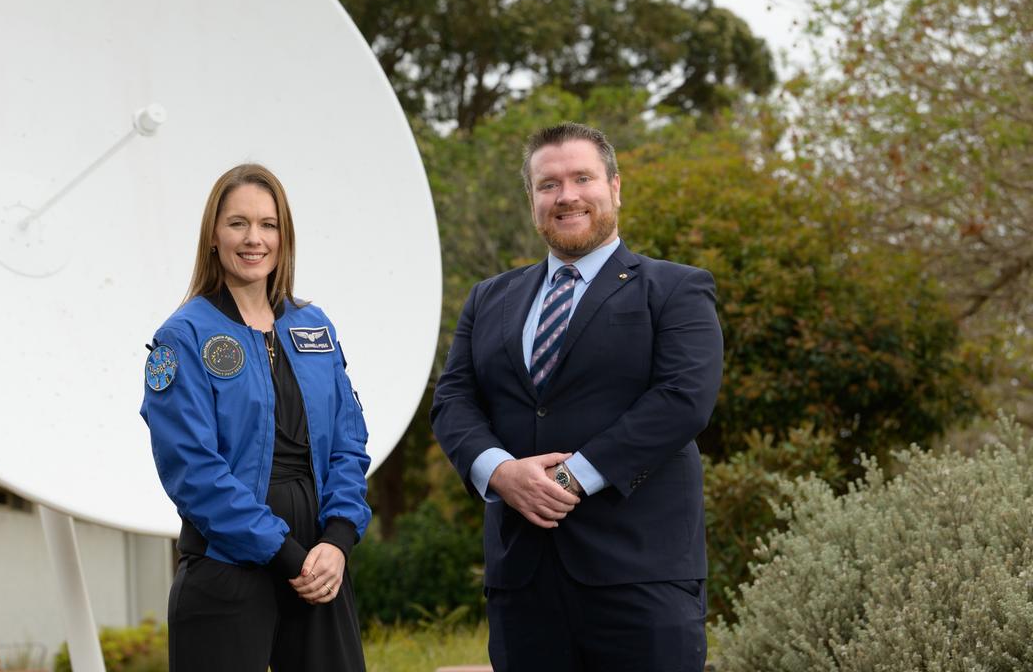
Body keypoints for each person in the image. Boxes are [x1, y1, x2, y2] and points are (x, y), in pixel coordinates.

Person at [432, 123, 724, 671]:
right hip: (524, 582)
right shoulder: (488, 299)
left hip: (640, 579)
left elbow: (683, 398)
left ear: (614, 186)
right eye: (549, 185)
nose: (566, 196)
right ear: (532, 199)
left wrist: (571, 478)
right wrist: (500, 473)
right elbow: (453, 401)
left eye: (582, 178)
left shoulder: (676, 289)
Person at [141, 163, 370, 672]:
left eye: (268, 225)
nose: (254, 239)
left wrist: (335, 542)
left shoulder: (315, 328)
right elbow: (193, 470)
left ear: (284, 237)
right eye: (238, 223)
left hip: (320, 561)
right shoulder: (184, 336)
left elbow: (349, 446)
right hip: (229, 559)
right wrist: (286, 556)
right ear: (213, 237)